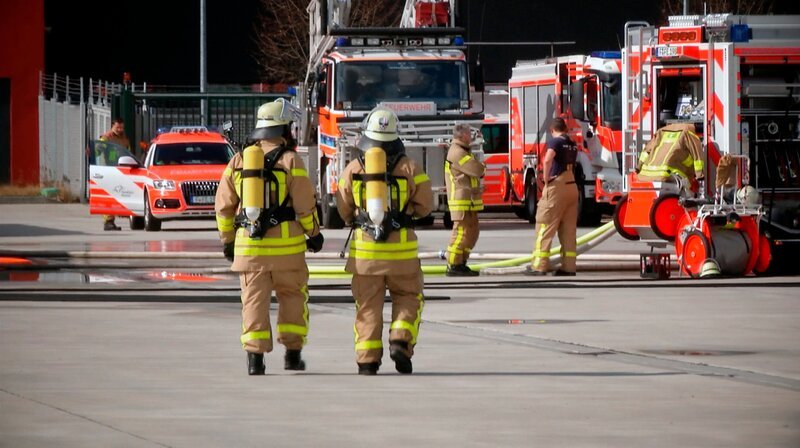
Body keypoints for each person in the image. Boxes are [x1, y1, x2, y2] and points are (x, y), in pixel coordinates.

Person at [215, 99, 324, 375]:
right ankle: (292, 355)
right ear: (283, 128)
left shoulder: (238, 160)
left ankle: (255, 360)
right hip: (288, 253)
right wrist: (314, 234)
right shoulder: (291, 160)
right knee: (293, 299)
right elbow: (305, 204)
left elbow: (223, 207)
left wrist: (228, 241)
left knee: (253, 303)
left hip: (250, 251)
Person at [336, 107, 433, 375]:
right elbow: (426, 205)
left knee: (367, 307)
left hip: (366, 256)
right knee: (408, 297)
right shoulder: (410, 167)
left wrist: (356, 218)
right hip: (402, 255)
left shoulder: (354, 168)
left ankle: (367, 361)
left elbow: (343, 206)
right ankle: (400, 341)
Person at [526, 118, 579, 276]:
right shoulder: (572, 143)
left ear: (552, 130)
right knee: (568, 231)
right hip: (572, 185)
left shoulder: (555, 142)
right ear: (565, 128)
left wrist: (546, 178)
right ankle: (569, 267)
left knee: (545, 225)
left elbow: (548, 159)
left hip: (558, 186)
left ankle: (539, 265)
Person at [444, 124, 485, 276]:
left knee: (472, 233)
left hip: (468, 201)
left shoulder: (463, 151)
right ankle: (454, 264)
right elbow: (477, 170)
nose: (471, 136)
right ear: (462, 136)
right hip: (461, 201)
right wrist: (482, 167)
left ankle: (461, 262)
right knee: (461, 233)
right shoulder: (457, 152)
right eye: (469, 133)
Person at [636, 122, 704, 191]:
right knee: (686, 191)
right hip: (669, 174)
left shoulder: (661, 131)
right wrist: (699, 174)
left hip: (646, 175)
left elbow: (647, 151)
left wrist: (638, 167)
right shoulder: (689, 132)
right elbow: (697, 153)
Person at [99, 118, 131, 231]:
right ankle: (108, 221)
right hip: (109, 171)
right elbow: (98, 149)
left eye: (121, 127)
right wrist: (94, 150)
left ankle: (111, 220)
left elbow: (128, 153)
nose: (120, 129)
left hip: (121, 171)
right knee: (109, 197)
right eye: (117, 127)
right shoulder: (107, 138)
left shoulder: (124, 139)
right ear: (112, 126)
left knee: (116, 196)